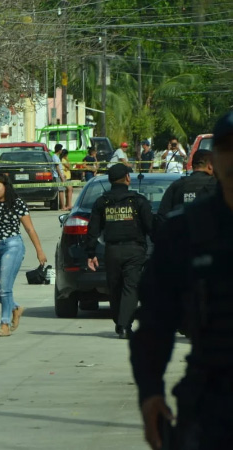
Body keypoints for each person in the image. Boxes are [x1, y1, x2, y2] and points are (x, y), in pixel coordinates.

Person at [130, 110, 233, 450]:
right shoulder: (187, 231)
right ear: (213, 159)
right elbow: (155, 322)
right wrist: (150, 392)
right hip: (212, 403)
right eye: (227, 147)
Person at [0, 172, 47, 337]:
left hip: (12, 246)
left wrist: (39, 251)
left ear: (5, 187)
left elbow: (29, 228)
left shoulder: (17, 203)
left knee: (4, 288)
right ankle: (15, 308)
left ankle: (5, 324)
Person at [86, 164, 153, 338]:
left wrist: (91, 253)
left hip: (112, 251)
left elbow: (93, 230)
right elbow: (151, 227)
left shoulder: (102, 202)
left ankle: (120, 323)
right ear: (128, 178)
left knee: (114, 288)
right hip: (134, 250)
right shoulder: (138, 201)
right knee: (131, 287)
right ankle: (124, 325)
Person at [156, 149, 217, 227]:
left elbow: (163, 216)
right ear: (210, 166)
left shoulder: (177, 185)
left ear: (193, 165)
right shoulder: (218, 186)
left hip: (180, 236)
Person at [51, 144, 68, 210]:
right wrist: (62, 177)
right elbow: (57, 167)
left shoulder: (56, 157)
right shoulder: (55, 157)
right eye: (61, 149)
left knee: (62, 190)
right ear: (59, 150)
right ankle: (63, 206)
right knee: (61, 191)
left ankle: (62, 206)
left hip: (59, 175)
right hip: (57, 176)